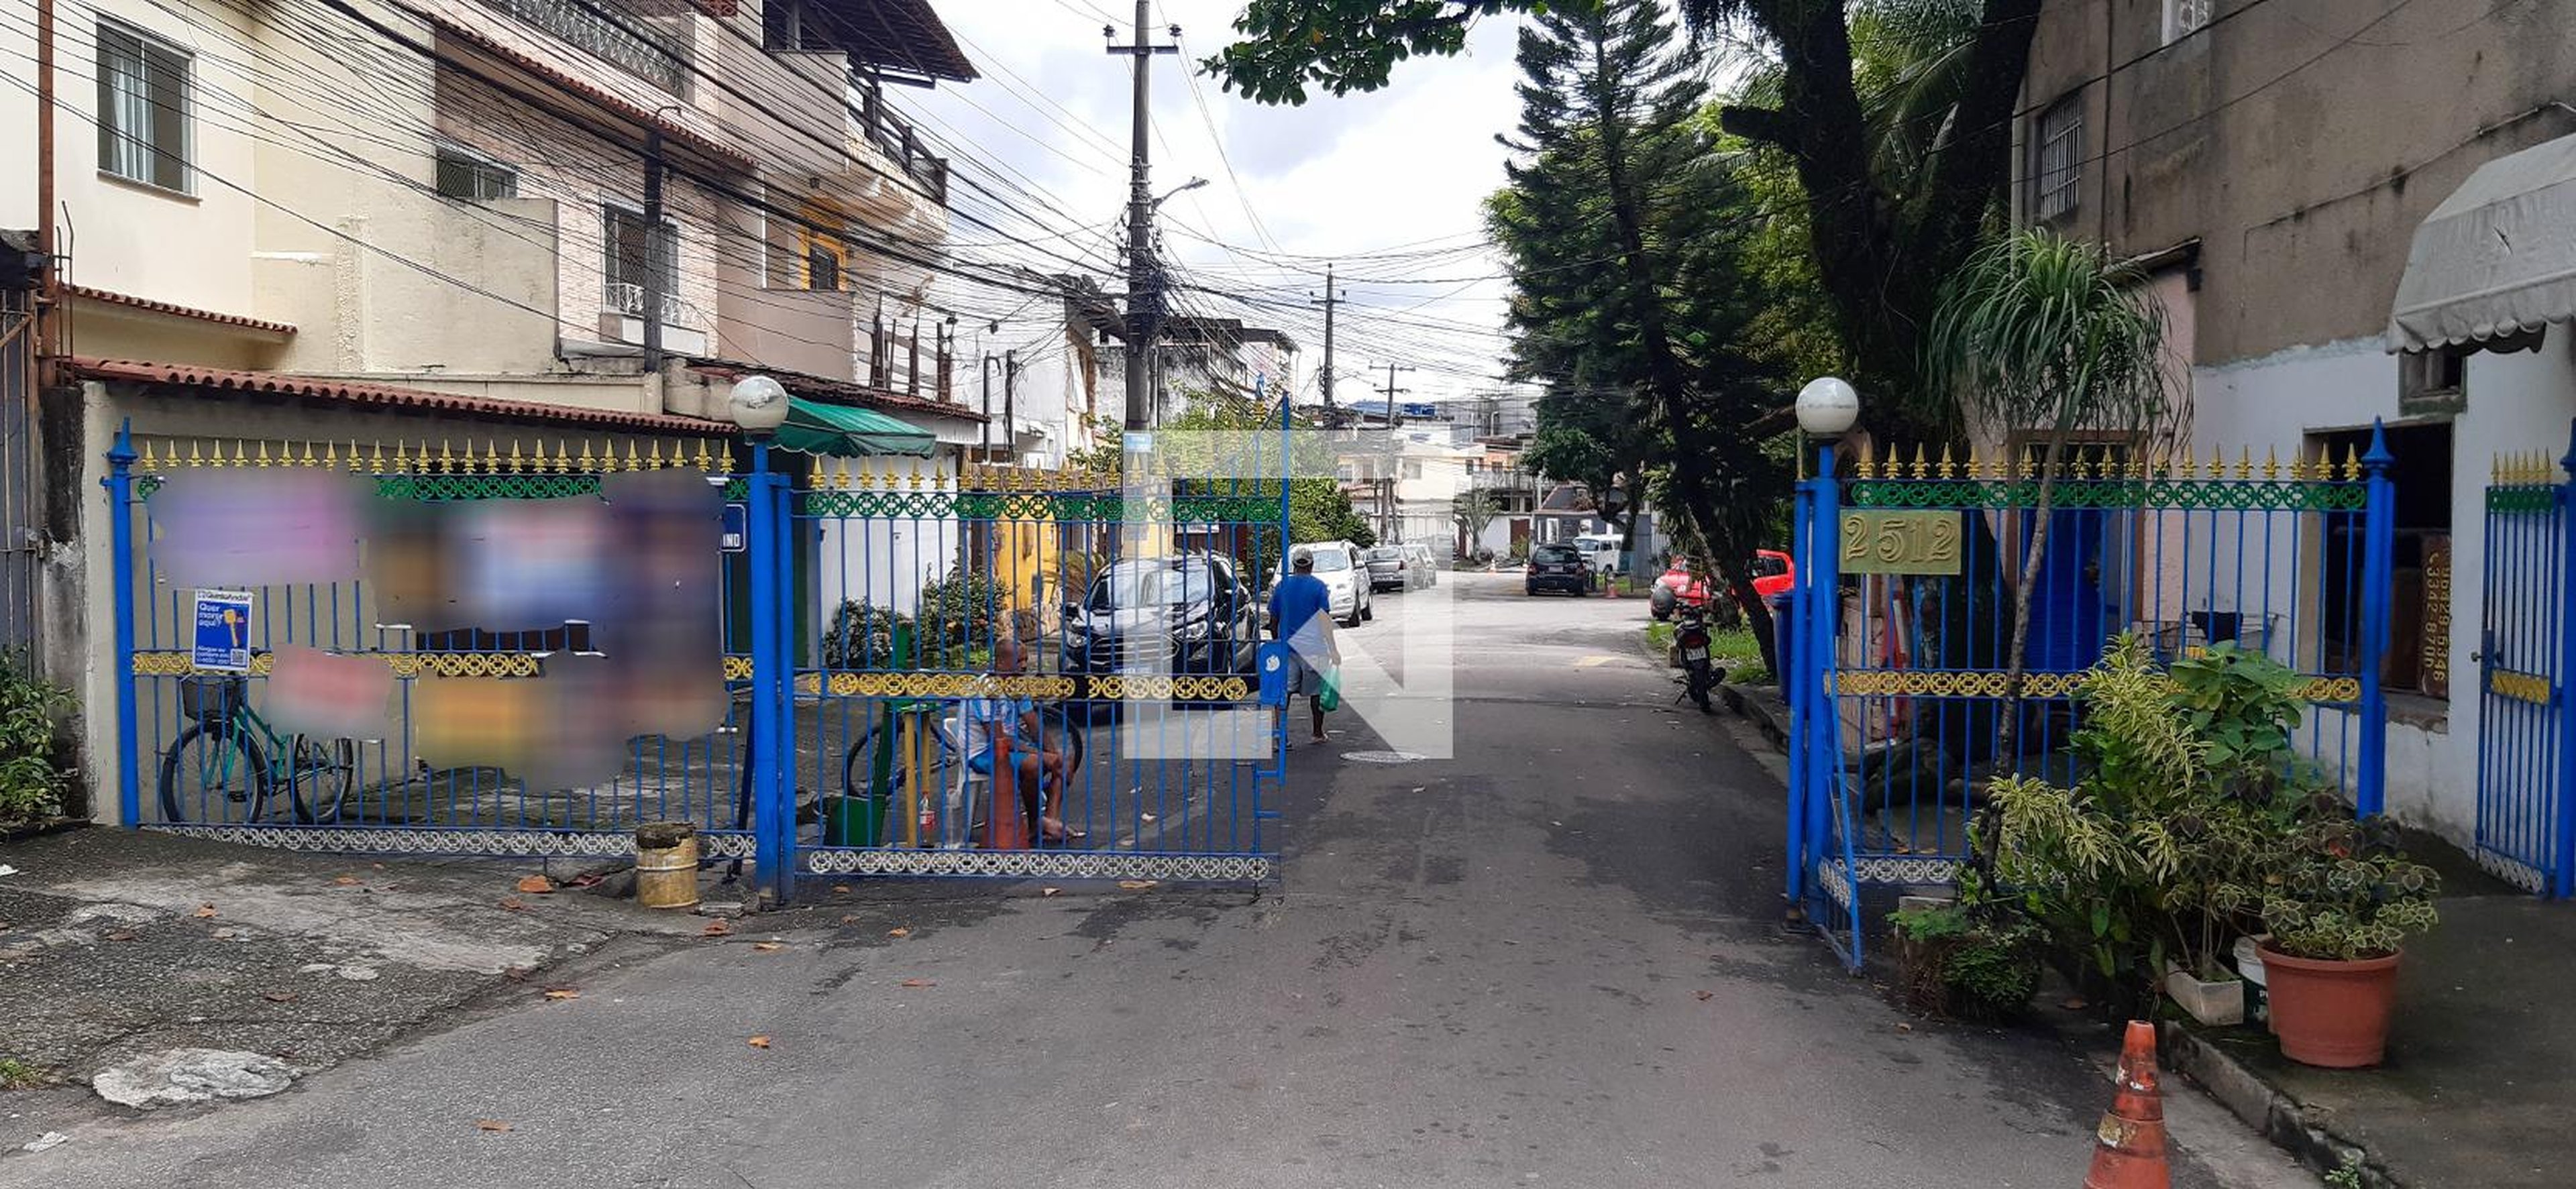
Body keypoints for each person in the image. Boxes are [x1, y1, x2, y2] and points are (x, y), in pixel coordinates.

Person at [964, 638, 1078, 843]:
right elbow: (1000, 740)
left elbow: (1034, 725)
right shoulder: (985, 689)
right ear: (1000, 663)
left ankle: (1048, 822)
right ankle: (1037, 822)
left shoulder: (1017, 685)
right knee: (1035, 765)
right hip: (983, 752)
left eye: (1026, 659)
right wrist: (1045, 757)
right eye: (1018, 661)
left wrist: (1054, 756)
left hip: (1011, 747)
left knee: (1064, 760)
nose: (1024, 665)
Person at [1268, 551, 1340, 744]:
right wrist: (1333, 649)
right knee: (1316, 692)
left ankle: (1281, 737)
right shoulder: (1318, 587)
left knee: (1285, 692)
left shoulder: (1282, 586)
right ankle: (1317, 733)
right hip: (1313, 648)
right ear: (1311, 565)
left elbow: (1273, 621)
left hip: (1288, 648)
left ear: (1293, 565)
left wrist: (1278, 643)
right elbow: (1325, 621)